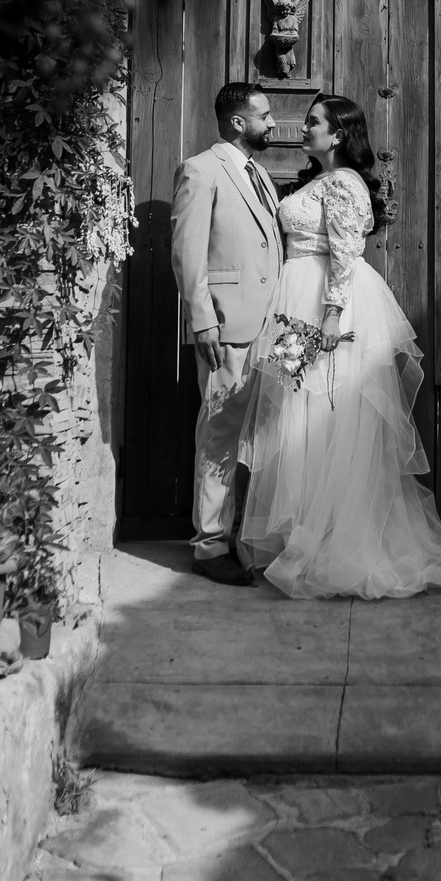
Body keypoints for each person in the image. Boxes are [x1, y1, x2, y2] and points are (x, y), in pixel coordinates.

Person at [237, 94, 441, 599]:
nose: (304, 128)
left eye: (314, 123)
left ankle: (332, 541)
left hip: (322, 306)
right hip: (294, 302)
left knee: (328, 418)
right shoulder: (318, 180)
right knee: (293, 415)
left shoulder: (343, 184)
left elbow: (345, 252)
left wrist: (332, 314)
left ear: (338, 134)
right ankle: (305, 533)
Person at [169, 82, 283, 585]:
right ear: (238, 121)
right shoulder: (201, 169)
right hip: (225, 326)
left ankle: (242, 536)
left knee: (256, 438)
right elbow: (186, 254)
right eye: (265, 115)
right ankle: (209, 546)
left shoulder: (259, 174)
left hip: (268, 328)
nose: (273, 123)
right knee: (218, 436)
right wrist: (202, 320)